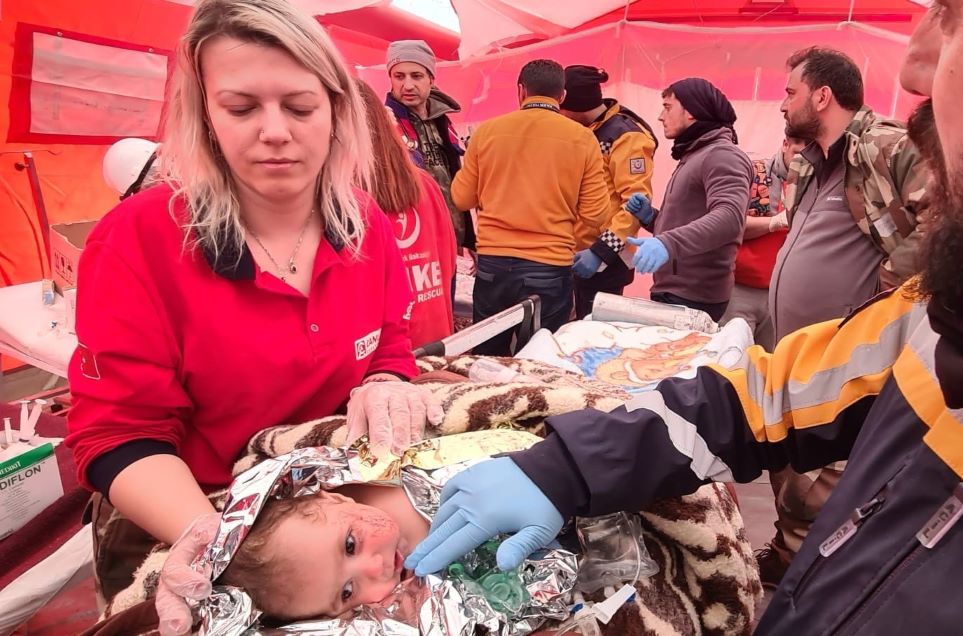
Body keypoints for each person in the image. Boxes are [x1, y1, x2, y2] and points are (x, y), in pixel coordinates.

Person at [404, 6, 963, 633]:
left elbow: (724, 219)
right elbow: (757, 399)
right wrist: (565, 468)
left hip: (681, 290)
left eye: (949, 17)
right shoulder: (928, 315)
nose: (914, 69)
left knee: (811, 490)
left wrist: (659, 243)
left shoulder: (719, 156)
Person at [63, 1, 442, 632]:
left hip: (324, 500)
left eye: (299, 107)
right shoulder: (139, 239)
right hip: (184, 510)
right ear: (205, 116)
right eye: (241, 109)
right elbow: (119, 433)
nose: (274, 132)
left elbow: (389, 345)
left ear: (337, 111)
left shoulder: (366, 226)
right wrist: (216, 541)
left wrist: (385, 381)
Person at [760, 46, 931, 585]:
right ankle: (789, 556)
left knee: (823, 484)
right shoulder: (812, 162)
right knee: (789, 464)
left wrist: (888, 290)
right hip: (800, 353)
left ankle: (813, 581)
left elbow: (946, 216)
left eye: (790, 92)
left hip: (850, 362)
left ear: (822, 96)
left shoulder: (885, 145)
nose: (782, 104)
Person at [452, 59, 608, 355]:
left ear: (521, 91)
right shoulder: (583, 138)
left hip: (494, 264)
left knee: (487, 358)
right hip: (550, 266)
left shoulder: (487, 132)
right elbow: (596, 215)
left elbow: (461, 198)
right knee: (539, 359)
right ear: (562, 96)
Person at [625, 78, 752, 322]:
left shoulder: (722, 155)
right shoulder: (696, 154)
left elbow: (730, 218)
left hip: (694, 297)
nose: (661, 116)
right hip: (676, 291)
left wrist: (667, 244)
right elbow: (690, 219)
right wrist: (651, 218)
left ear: (691, 111)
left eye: (668, 107)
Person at [356, 80, 457, 348]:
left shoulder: (347, 198)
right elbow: (448, 264)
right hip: (434, 339)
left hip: (385, 353)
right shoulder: (427, 184)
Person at [559, 65, 658, 319]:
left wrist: (599, 252)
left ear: (574, 105)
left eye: (561, 107)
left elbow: (634, 205)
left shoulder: (627, 136)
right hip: (572, 254)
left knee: (594, 333)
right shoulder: (585, 130)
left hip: (606, 260)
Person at [384, 40, 476, 256]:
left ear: (431, 79)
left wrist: (468, 239)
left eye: (416, 76)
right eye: (399, 76)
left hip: (452, 240)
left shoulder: (442, 120)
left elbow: (452, 178)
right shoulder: (383, 123)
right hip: (412, 246)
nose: (407, 85)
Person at [720, 136, 807, 352]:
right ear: (785, 144)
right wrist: (774, 222)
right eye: (797, 154)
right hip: (738, 290)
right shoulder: (752, 173)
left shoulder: (815, 182)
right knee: (730, 359)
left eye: (808, 157)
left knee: (771, 363)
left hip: (781, 295)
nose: (802, 162)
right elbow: (728, 226)